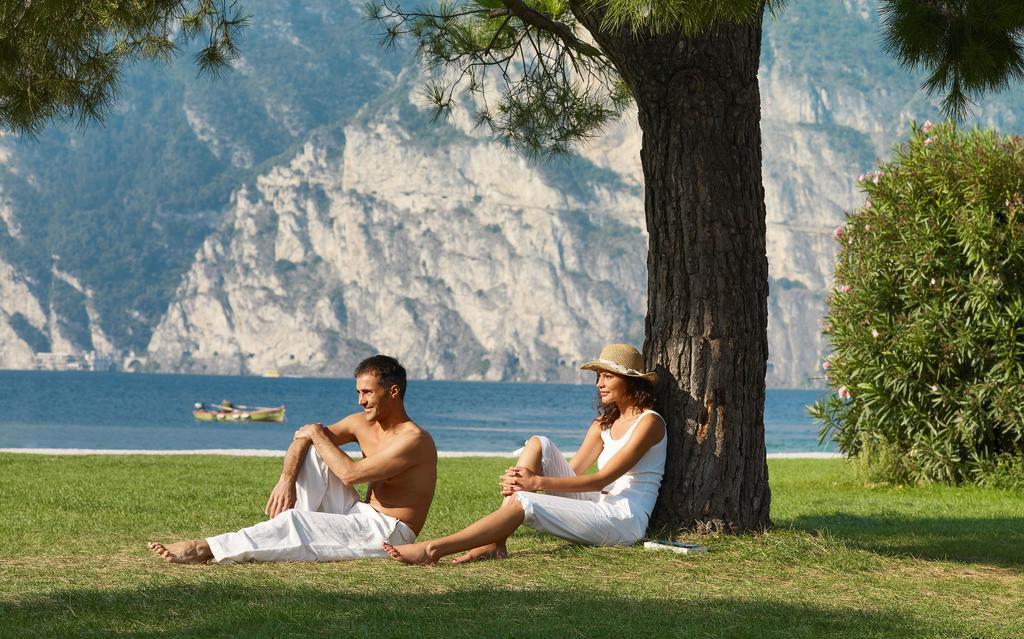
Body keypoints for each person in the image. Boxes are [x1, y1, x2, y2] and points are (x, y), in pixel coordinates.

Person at [383, 343, 666, 565]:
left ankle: (433, 549)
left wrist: (535, 484)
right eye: (598, 377)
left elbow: (600, 480)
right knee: (538, 443)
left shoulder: (649, 423)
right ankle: (496, 541)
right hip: (598, 505)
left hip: (624, 521)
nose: (599, 384)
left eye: (607, 376)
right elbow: (574, 472)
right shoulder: (603, 424)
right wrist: (526, 478)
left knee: (524, 501)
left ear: (630, 381)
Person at [148, 355, 437, 564]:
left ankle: (205, 548)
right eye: (358, 392)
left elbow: (350, 474)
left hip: (390, 531)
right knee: (314, 452)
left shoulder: (414, 441)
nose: (360, 400)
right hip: (359, 512)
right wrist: (286, 479)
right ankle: (291, 527)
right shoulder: (361, 423)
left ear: (394, 392)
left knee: (313, 473)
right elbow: (304, 439)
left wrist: (315, 431)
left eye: (367, 392)